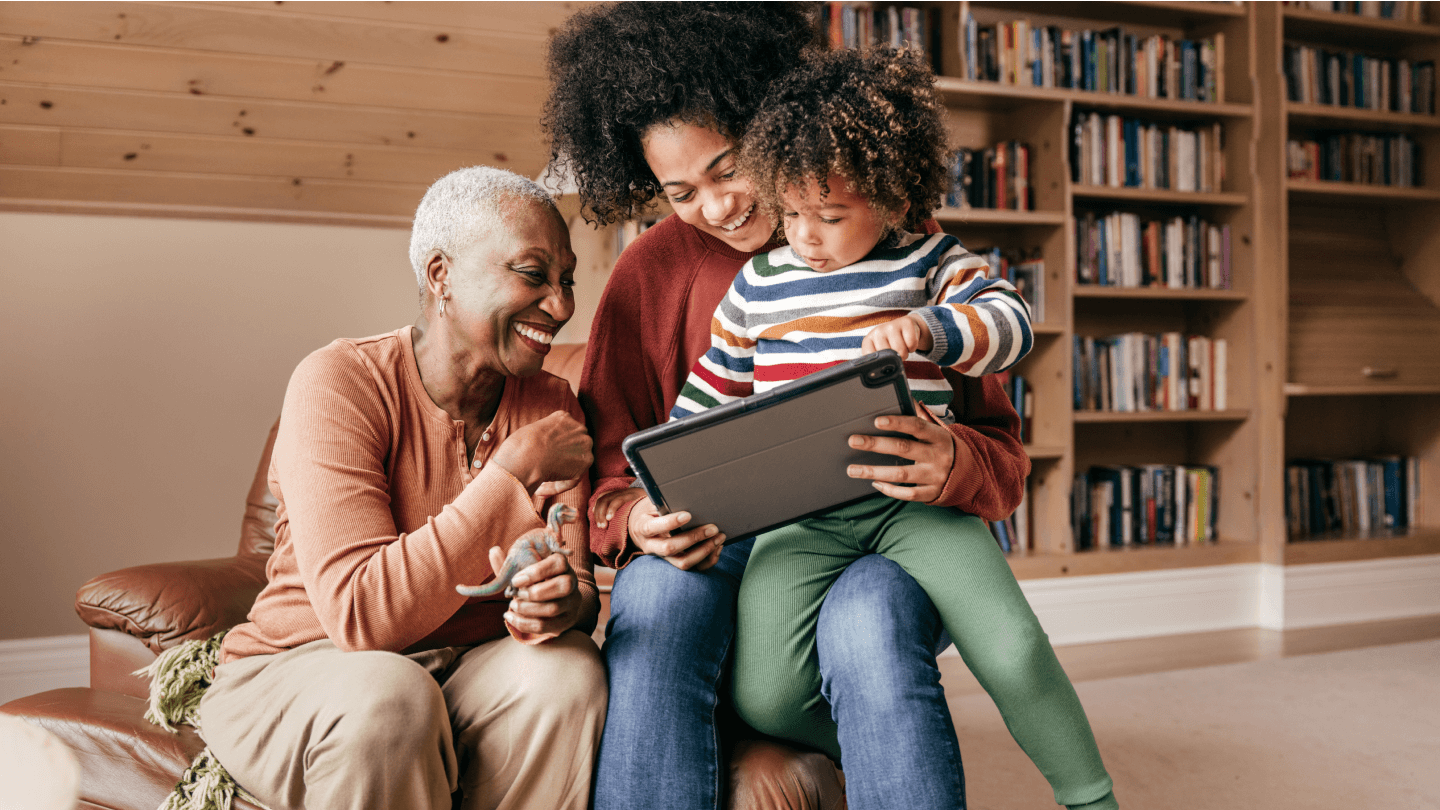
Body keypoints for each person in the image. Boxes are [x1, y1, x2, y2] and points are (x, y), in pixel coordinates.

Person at [543, 4, 1030, 809]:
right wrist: (633, 520)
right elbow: (607, 476)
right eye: (680, 192)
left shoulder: (889, 230)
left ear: (768, 126)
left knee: (869, 619)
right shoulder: (647, 274)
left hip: (879, 533)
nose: (718, 206)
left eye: (729, 167)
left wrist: (953, 461)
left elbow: (1001, 455)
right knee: (655, 599)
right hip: (717, 545)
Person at [675, 47, 1116, 810]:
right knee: (766, 694)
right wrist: (676, 475)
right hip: (801, 518)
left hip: (918, 508)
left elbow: (1012, 326)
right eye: (793, 212)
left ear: (890, 194)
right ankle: (889, 757)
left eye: (832, 216)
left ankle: (1091, 798)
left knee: (1012, 649)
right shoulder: (758, 285)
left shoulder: (931, 259)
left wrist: (932, 329)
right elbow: (712, 389)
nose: (806, 235)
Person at [196, 166, 608, 810]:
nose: (560, 305)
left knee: (568, 673)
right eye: (533, 275)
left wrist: (562, 604)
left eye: (567, 281)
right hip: (305, 666)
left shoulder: (551, 405)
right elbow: (362, 616)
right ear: (441, 275)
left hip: (468, 667)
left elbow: (580, 590)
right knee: (391, 697)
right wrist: (509, 476)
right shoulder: (339, 383)